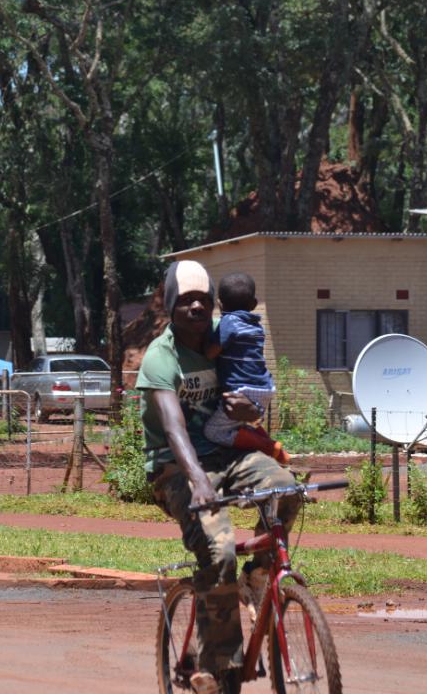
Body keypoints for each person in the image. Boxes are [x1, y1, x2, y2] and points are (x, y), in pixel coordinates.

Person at [137, 260, 299, 694]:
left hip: (226, 454)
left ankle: (260, 574)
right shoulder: (160, 357)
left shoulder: (223, 340)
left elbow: (250, 387)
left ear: (214, 307)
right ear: (171, 306)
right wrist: (198, 482)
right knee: (220, 548)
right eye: (186, 300)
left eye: (203, 301)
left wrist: (253, 411)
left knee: (287, 489)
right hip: (175, 468)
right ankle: (218, 667)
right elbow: (172, 428)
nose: (195, 306)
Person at [202, 272, 289, 465]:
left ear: (220, 304)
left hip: (242, 391)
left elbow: (211, 353)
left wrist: (204, 345)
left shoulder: (228, 322)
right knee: (243, 422)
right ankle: (275, 449)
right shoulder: (257, 327)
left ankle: (267, 446)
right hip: (264, 388)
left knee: (214, 432)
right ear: (254, 304)